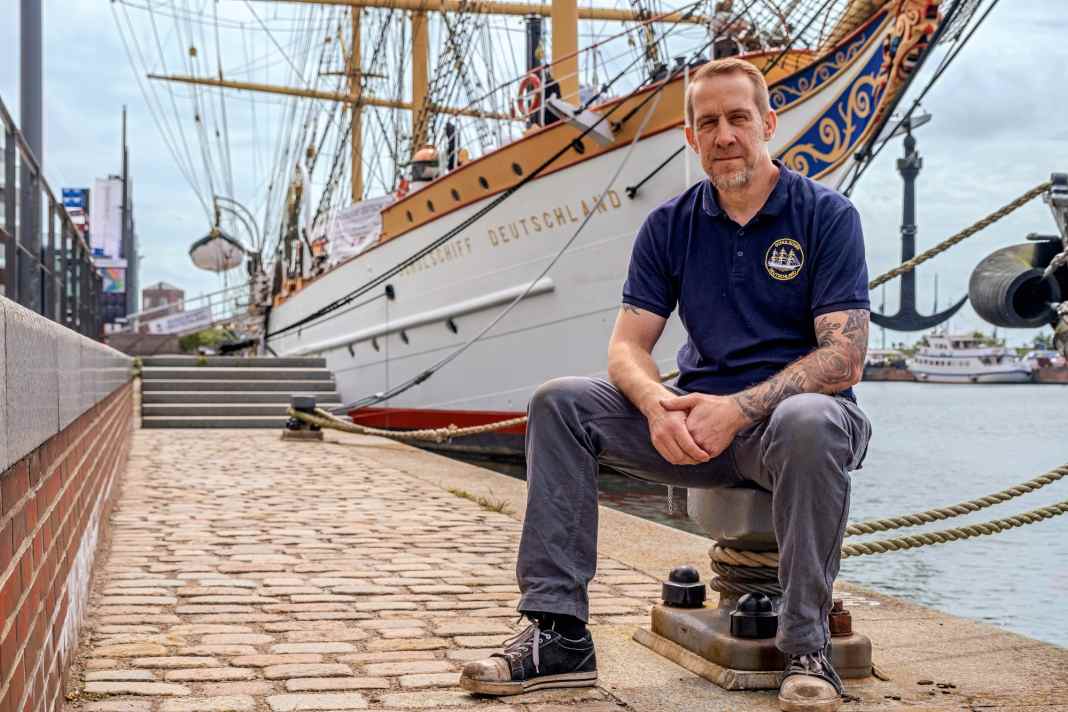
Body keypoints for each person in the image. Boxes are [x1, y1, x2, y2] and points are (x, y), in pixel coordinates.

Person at [459, 56, 872, 712]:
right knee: (560, 403)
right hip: (695, 424)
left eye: (739, 118)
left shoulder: (826, 216)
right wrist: (655, 405)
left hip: (791, 424)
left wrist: (737, 410)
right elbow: (627, 345)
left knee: (811, 421)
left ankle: (806, 645)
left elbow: (844, 358)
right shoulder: (670, 225)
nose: (724, 134)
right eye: (707, 123)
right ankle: (558, 634)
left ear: (768, 123)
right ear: (690, 137)